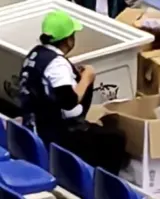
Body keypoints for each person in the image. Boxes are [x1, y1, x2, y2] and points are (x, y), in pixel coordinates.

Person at [18, 11, 127, 174]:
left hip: (34, 123)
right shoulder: (57, 64)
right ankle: (102, 185)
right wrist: (87, 78)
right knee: (115, 138)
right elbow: (69, 103)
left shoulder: (36, 53)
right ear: (68, 40)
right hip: (53, 135)